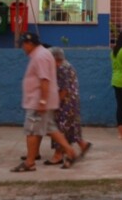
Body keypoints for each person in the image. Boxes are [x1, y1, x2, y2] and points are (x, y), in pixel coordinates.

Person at [11, 33, 79, 172]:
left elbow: (44, 79)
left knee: (31, 131)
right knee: (51, 128)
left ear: (30, 43)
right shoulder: (43, 54)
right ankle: (70, 152)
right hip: (42, 100)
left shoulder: (40, 56)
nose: (23, 47)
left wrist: (42, 101)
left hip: (38, 101)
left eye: (24, 44)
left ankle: (30, 163)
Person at [46, 47, 91, 164]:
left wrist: (56, 103)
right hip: (72, 100)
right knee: (71, 126)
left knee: (60, 127)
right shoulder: (68, 65)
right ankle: (82, 144)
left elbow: (64, 89)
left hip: (66, 102)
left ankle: (58, 154)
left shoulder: (61, 68)